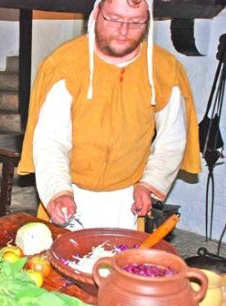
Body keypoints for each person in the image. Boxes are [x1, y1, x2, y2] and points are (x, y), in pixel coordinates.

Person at [18, 0, 201, 230]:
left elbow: (171, 141)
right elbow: (50, 141)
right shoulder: (63, 65)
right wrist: (58, 191)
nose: (123, 31)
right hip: (69, 193)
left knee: (121, 264)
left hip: (127, 200)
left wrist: (149, 184)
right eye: (114, 19)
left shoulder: (165, 70)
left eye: (135, 22)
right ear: (96, 13)